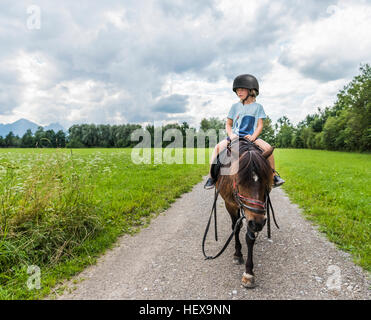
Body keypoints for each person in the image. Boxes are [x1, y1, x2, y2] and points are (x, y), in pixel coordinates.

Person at [204, 74, 285, 189]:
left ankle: (273, 176)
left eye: (241, 89)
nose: (239, 92)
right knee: (217, 148)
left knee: (268, 149)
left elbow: (260, 125)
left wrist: (253, 137)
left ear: (251, 90)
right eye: (237, 90)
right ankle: (211, 177)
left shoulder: (258, 107)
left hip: (251, 137)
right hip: (235, 136)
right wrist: (231, 135)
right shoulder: (234, 107)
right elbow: (228, 124)